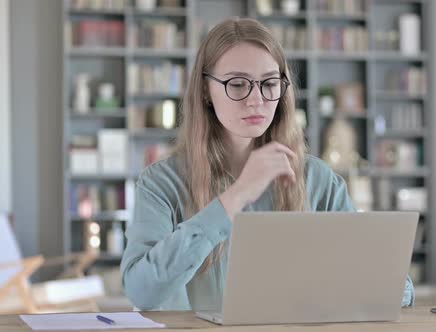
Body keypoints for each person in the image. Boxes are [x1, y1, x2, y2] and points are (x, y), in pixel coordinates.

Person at [120, 17, 414, 311]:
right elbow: (142, 292)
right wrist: (236, 197)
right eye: (237, 84)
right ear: (205, 91)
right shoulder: (161, 183)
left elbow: (399, 288)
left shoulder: (318, 179)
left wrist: (373, 283)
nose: (256, 99)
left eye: (269, 83)